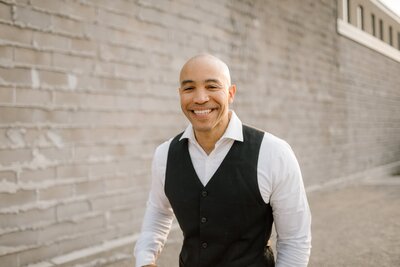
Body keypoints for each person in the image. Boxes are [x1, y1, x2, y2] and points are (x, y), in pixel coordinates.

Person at [134, 54, 311, 267]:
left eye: (211, 86)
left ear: (230, 93)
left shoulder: (274, 152)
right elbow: (158, 212)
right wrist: (145, 260)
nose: (200, 98)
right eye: (189, 88)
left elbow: (295, 242)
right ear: (180, 94)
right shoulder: (164, 155)